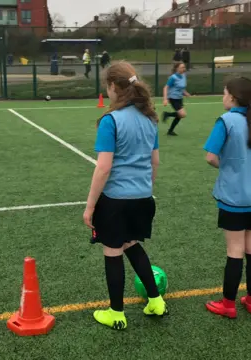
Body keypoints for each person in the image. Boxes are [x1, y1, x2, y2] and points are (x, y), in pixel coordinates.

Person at [83, 61, 168, 330]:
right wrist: (146, 190)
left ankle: (116, 313)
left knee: (113, 251)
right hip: (143, 198)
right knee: (131, 244)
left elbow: (104, 167)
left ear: (112, 87)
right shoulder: (150, 119)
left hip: (116, 201)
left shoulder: (111, 120)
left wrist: (90, 206)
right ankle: (156, 301)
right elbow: (155, 163)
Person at [204, 77, 251, 319]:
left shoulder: (226, 121)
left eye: (224, 93)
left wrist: (232, 167)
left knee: (235, 250)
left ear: (233, 97)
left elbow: (211, 157)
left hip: (234, 197)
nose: (222, 98)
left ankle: (228, 304)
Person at [162, 62, 191, 136]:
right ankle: (167, 114)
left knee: (180, 115)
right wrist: (165, 99)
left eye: (184, 67)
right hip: (173, 98)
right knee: (183, 114)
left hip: (179, 98)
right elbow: (165, 88)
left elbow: (181, 88)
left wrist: (186, 93)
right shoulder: (173, 77)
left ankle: (170, 131)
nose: (184, 69)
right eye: (182, 67)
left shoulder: (184, 75)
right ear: (177, 68)